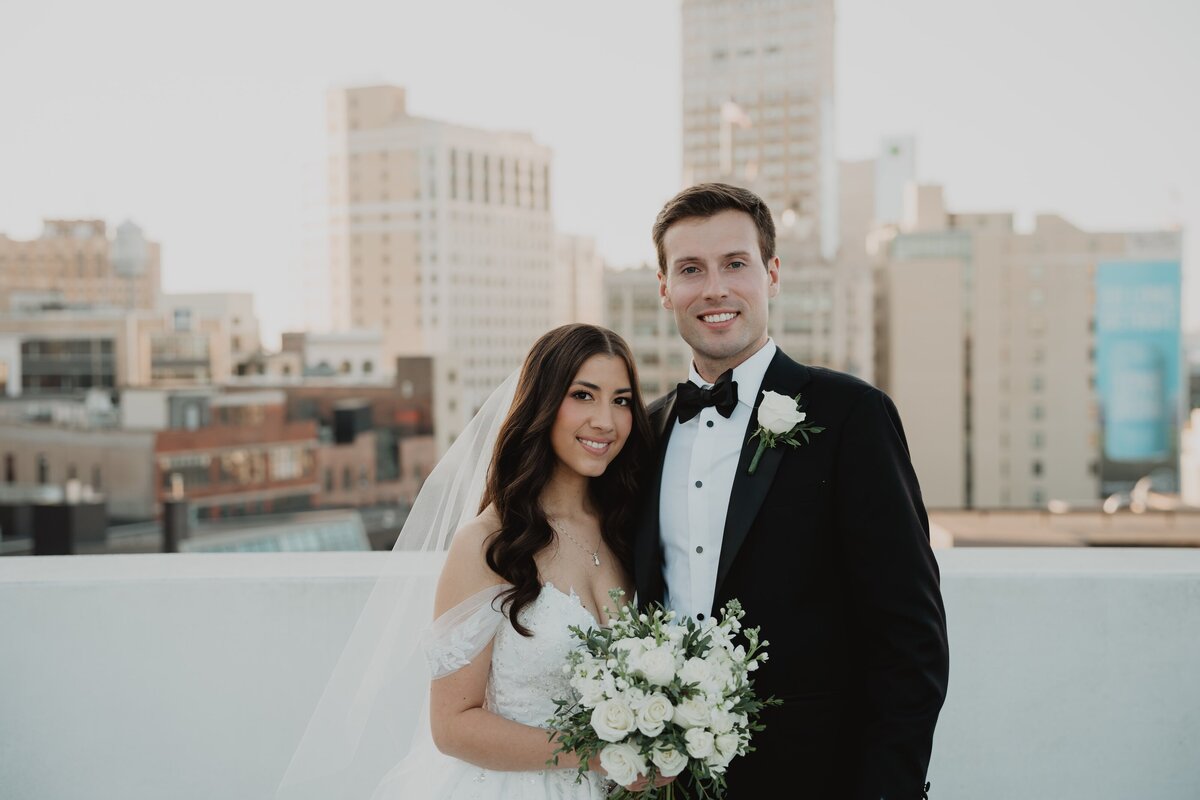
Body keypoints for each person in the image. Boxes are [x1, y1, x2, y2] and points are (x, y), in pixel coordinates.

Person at [633, 183, 951, 799]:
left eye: (735, 264)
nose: (715, 289)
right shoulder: (642, 433)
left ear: (771, 274)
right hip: (665, 783)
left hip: (816, 777)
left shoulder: (852, 415)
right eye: (691, 269)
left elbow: (910, 637)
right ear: (666, 287)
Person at [367, 323, 662, 799]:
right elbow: (452, 725)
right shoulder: (489, 543)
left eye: (621, 400)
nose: (606, 421)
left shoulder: (628, 530)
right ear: (542, 404)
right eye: (583, 396)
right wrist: (596, 752)